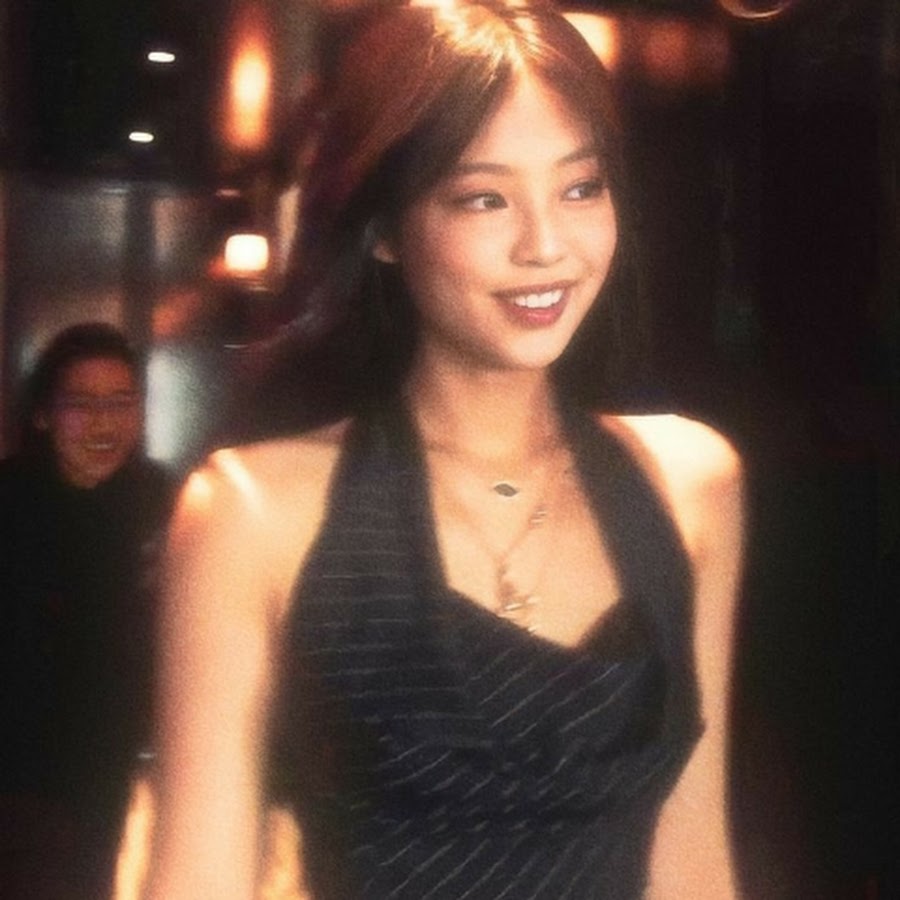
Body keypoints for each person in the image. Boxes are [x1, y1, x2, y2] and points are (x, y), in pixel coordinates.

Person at [145, 2, 744, 897]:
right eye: (484, 198)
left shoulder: (692, 486)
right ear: (386, 228)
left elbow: (694, 864)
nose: (546, 246)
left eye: (581, 188)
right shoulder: (254, 513)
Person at [0, 322, 177, 899]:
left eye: (121, 403)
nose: (104, 424)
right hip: (21, 789)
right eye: (82, 404)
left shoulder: (167, 503)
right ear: (44, 415)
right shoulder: (11, 501)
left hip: (121, 778)